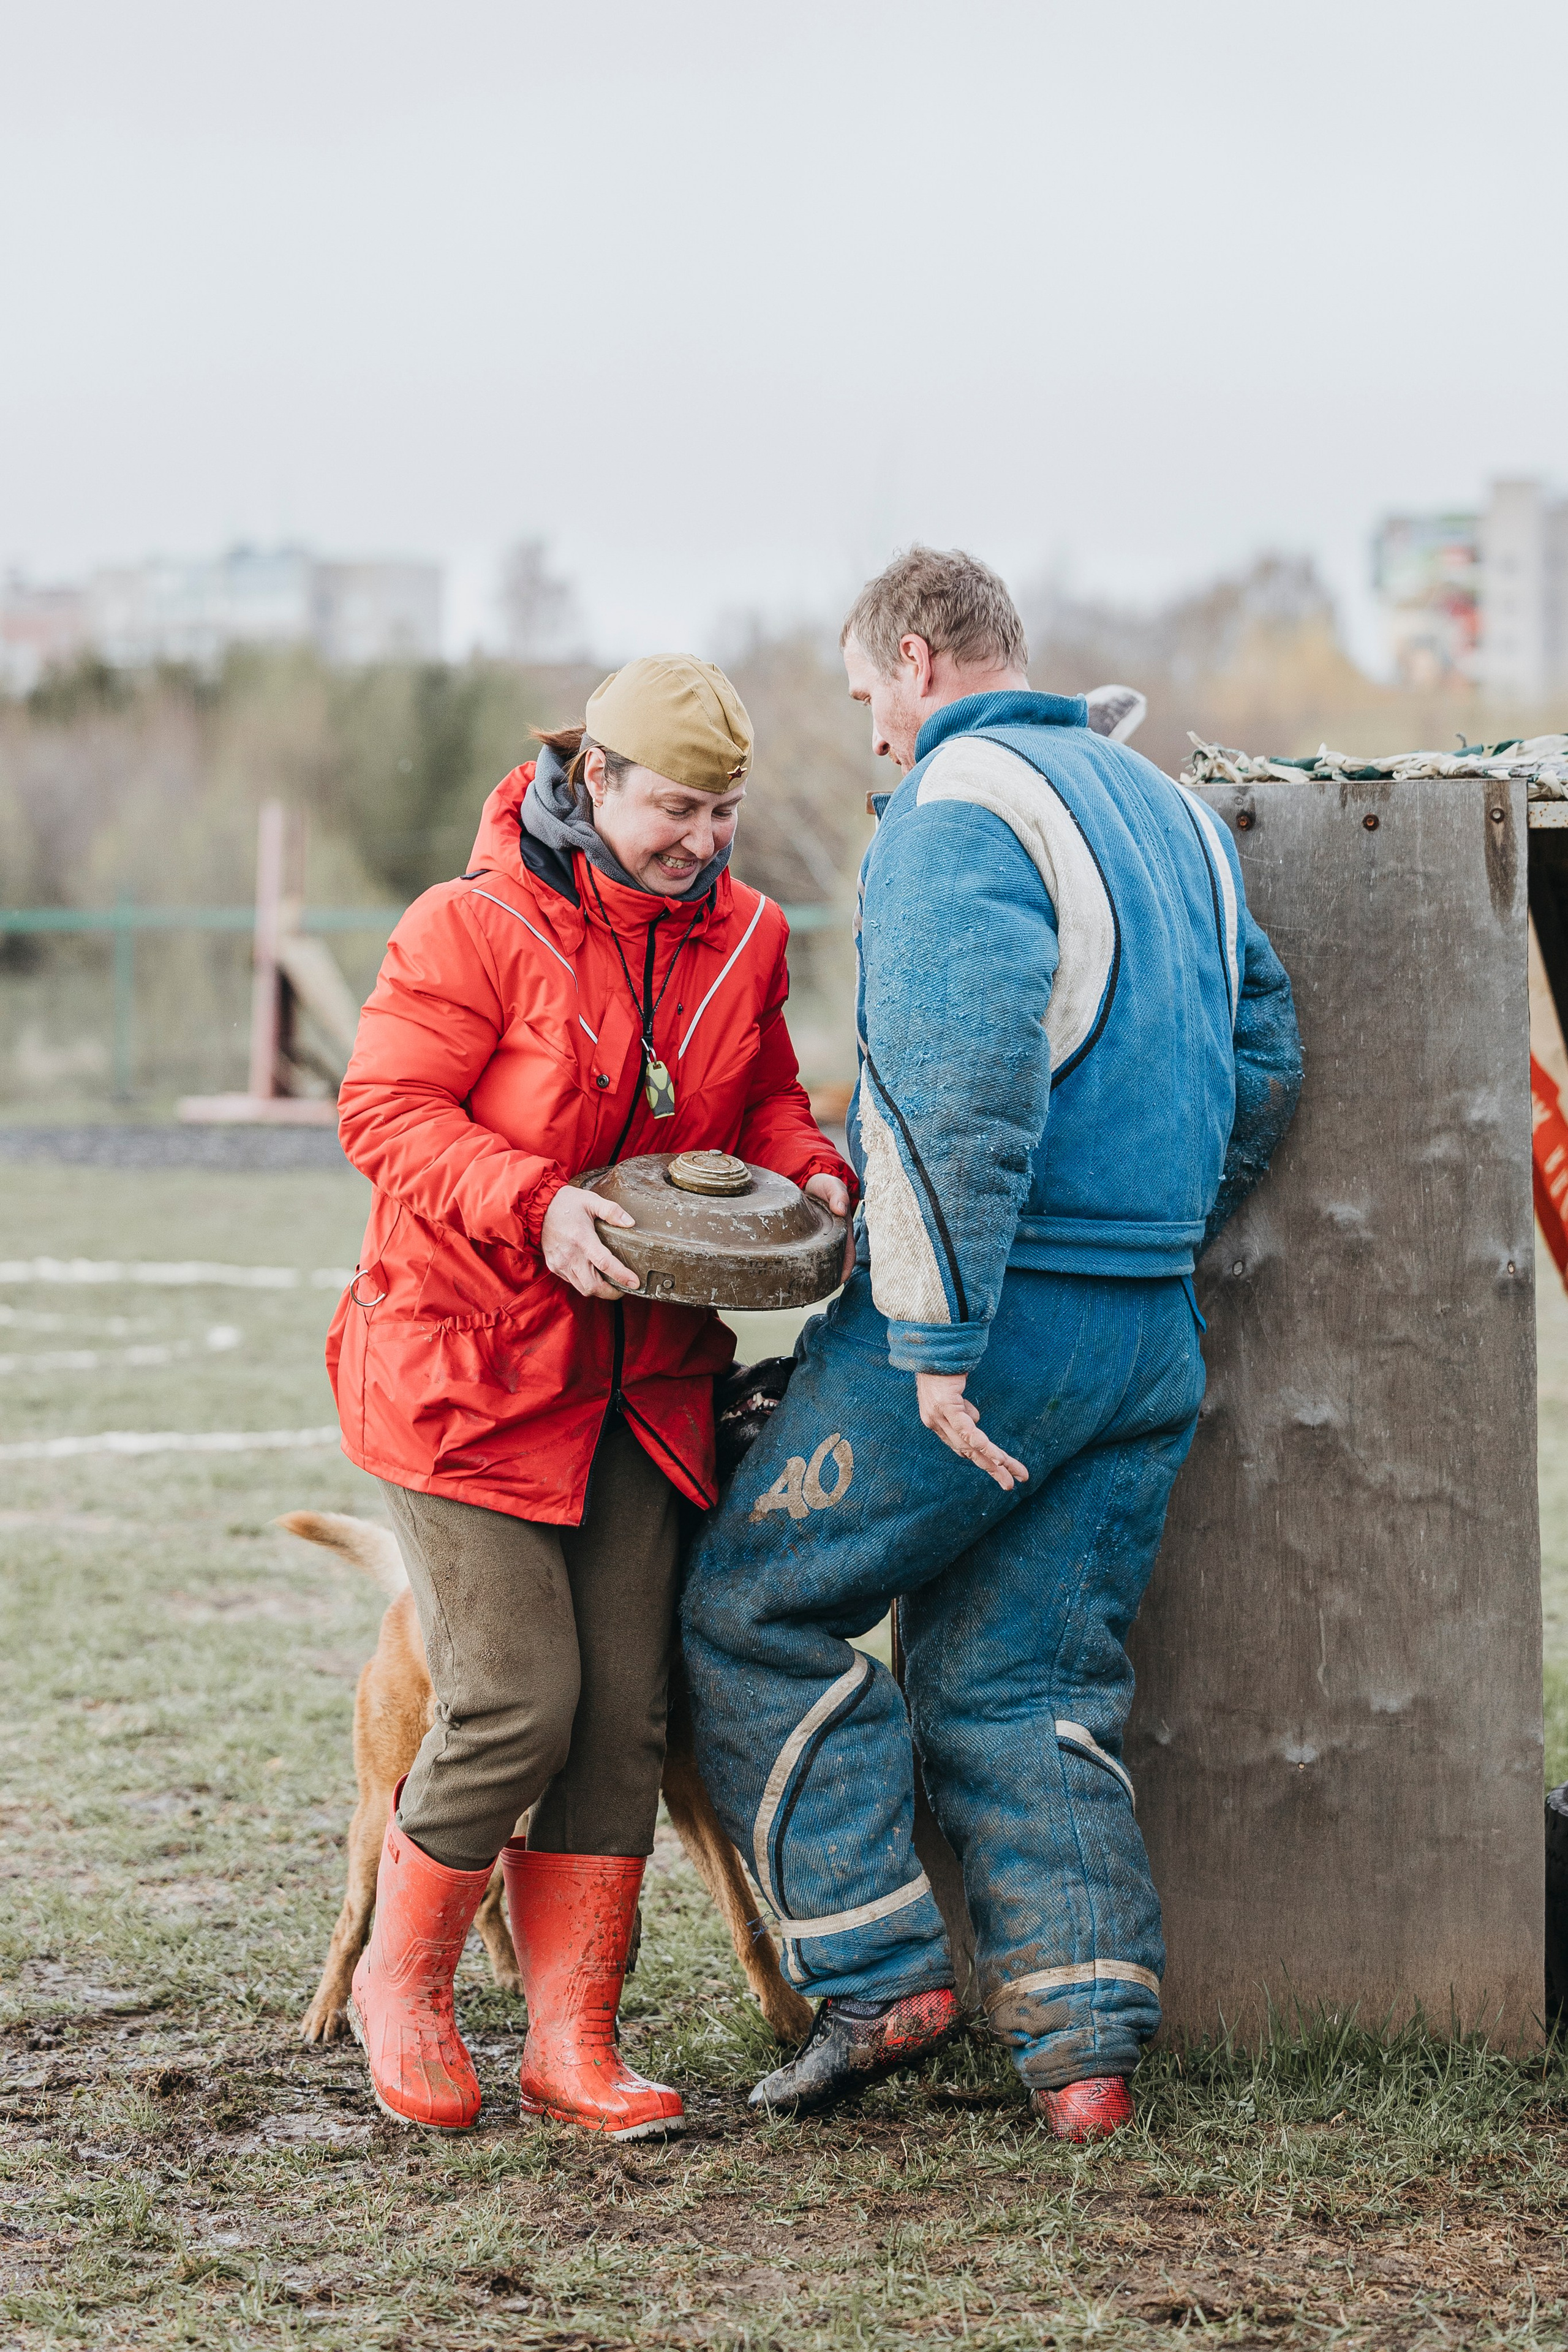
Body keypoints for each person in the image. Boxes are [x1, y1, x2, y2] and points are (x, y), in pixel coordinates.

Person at [680, 549, 1302, 2138]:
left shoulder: (962, 810)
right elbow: (1267, 1055)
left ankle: (878, 1972)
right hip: (1146, 1333)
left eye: (863, 702)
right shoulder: (1168, 813)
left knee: (757, 1606)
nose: (873, 739)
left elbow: (953, 1085)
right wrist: (1150, 1230)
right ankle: (1085, 2056)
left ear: (914, 658)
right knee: (1031, 1677)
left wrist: (942, 1343)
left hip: (981, 1332)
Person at [328, 655, 855, 2138]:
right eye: (676, 806)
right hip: (465, 1373)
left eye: (723, 811)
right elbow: (383, 1109)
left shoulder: (746, 933)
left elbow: (761, 1099)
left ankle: (574, 2041)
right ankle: (404, 1989)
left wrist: (805, 1174)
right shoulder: (469, 922)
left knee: (624, 1716)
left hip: (644, 1385)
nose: (702, 837)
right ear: (595, 781)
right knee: (515, 1698)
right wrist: (534, 1204)